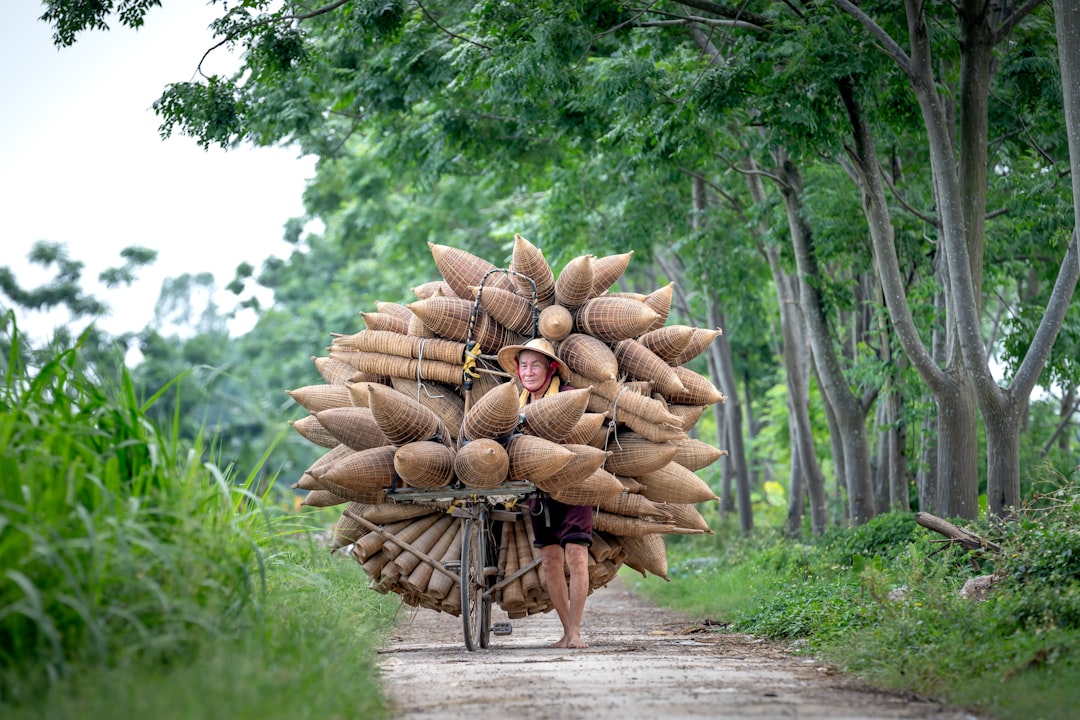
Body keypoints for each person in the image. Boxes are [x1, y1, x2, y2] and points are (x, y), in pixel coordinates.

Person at [497, 337, 592, 649]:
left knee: (576, 554)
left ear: (551, 368)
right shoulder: (514, 402)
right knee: (551, 559)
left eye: (535, 365)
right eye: (523, 366)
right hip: (537, 492)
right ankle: (566, 630)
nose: (528, 371)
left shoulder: (567, 397)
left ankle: (576, 631)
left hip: (573, 484)